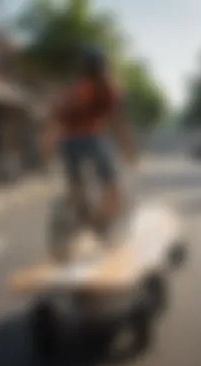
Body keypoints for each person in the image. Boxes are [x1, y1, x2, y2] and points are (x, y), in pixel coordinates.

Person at [42, 46, 136, 236]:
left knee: (76, 188)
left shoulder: (73, 90)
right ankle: (100, 222)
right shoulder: (107, 87)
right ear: (103, 66)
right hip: (91, 139)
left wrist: (48, 146)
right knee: (113, 186)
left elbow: (54, 118)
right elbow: (118, 122)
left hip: (67, 142)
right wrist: (129, 150)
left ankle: (80, 218)